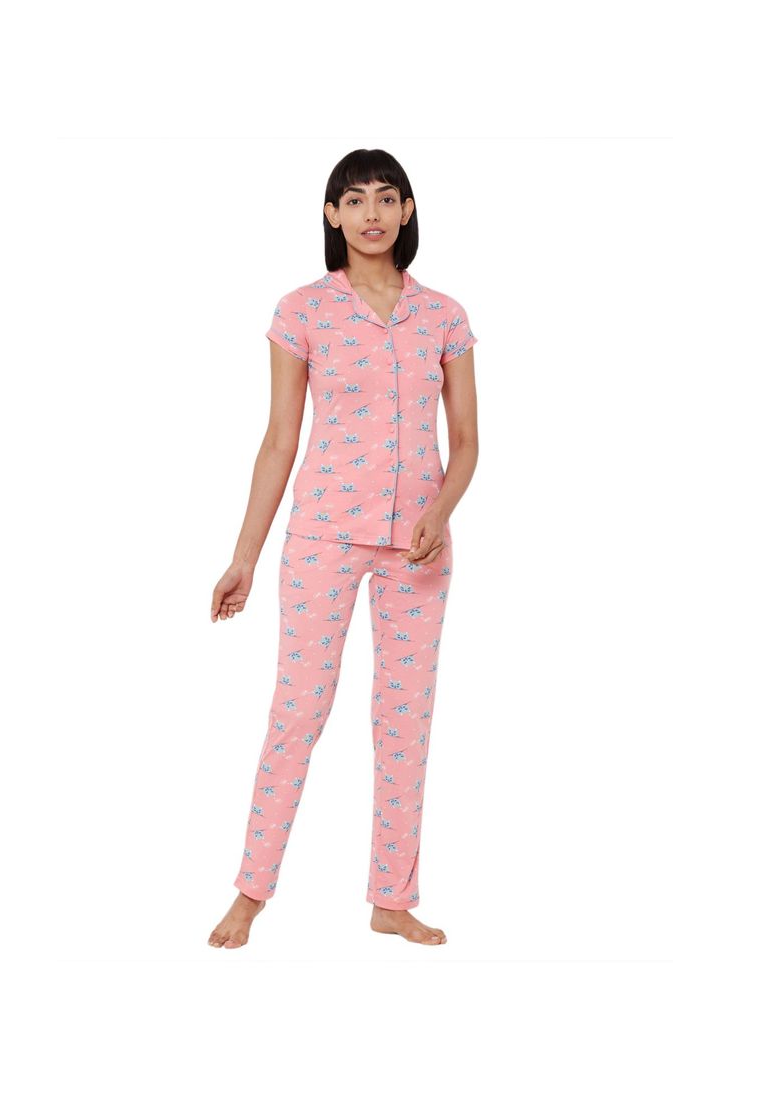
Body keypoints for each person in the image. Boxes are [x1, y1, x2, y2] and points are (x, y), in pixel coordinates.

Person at [207, 148, 479, 949]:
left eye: (386, 199)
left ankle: (391, 899)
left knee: (405, 722)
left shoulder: (444, 316)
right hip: (323, 535)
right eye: (354, 200)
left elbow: (467, 440)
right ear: (332, 215)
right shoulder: (303, 311)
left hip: (418, 548)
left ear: (407, 210)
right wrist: (244, 555)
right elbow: (278, 440)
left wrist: (438, 511)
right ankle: (251, 892)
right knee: (298, 712)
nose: (371, 214)